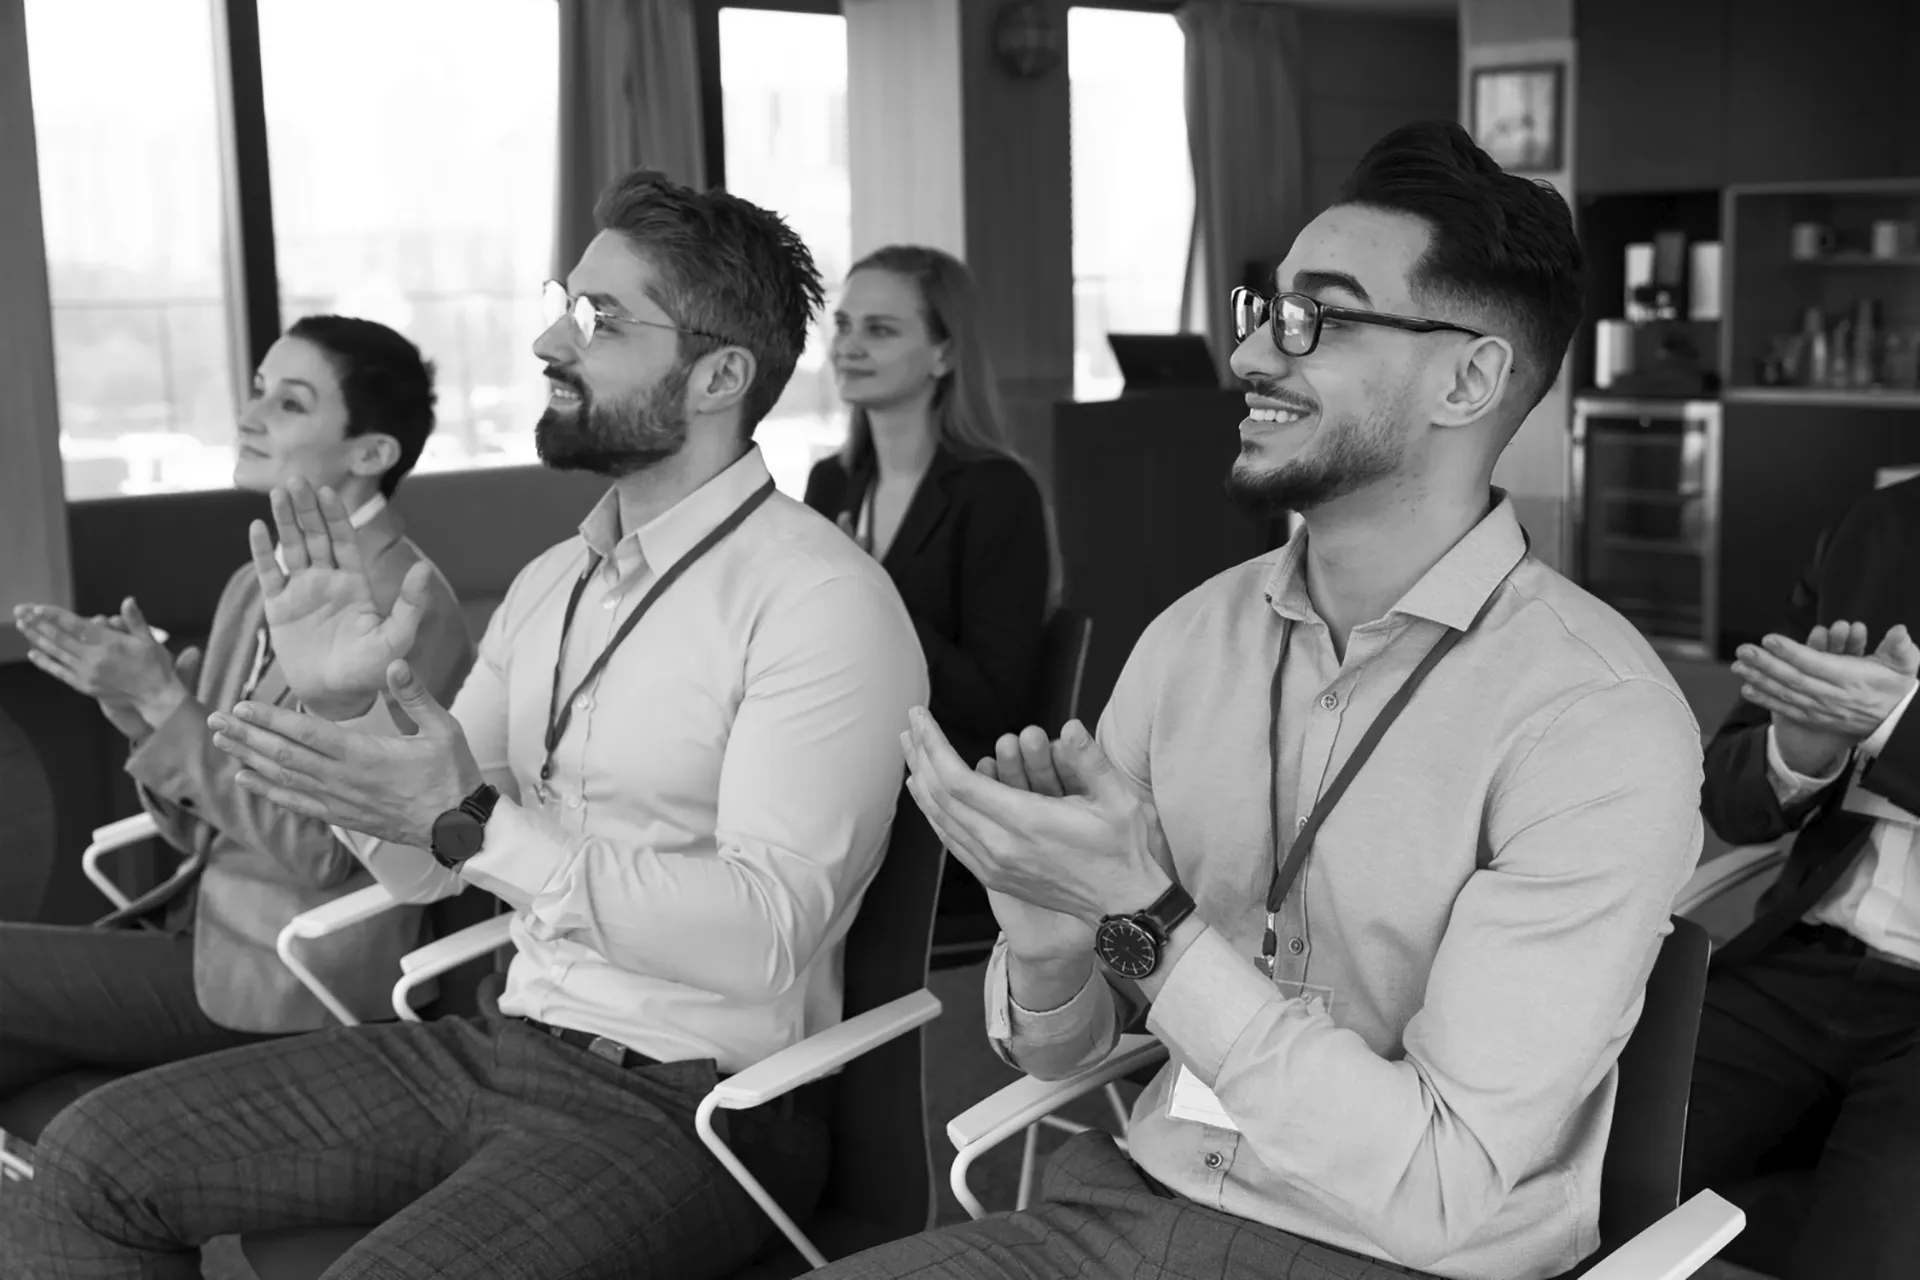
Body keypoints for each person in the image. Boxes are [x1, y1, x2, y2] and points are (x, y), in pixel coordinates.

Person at [0, 171, 928, 1280]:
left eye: (600, 319)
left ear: (719, 375)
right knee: (90, 1159)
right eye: (562, 302)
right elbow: (418, 867)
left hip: (694, 1107)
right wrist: (347, 710)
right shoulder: (551, 583)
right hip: (503, 1044)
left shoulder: (820, 602)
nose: (549, 339)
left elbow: (763, 933)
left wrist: (478, 825)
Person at [819, 121, 1705, 1280]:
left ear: (1469, 379)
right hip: (1132, 1205)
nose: (1249, 355)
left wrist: (1146, 913)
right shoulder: (1193, 641)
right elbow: (1063, 1050)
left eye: (1318, 318)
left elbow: (1436, 1187)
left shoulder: (1593, 718)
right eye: (1267, 309)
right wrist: (1047, 941)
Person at [2, 316, 472, 1114]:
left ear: (370, 454)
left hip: (292, 974)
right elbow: (201, 830)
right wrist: (143, 714)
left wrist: (169, 707)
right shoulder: (254, 584)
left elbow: (322, 855)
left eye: (290, 403)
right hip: (202, 933)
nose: (250, 416)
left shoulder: (405, 609)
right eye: (258, 390)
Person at [1680, 474, 1920, 1280]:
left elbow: (1888, 722)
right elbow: (1730, 798)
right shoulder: (1882, 524)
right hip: (1802, 961)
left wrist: (1894, 724)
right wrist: (1799, 754)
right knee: (1564, 1176)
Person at [804, 245, 1054, 959]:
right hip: (843, 776)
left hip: (944, 815)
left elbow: (994, 703)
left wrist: (870, 588)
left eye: (880, 330)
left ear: (944, 353)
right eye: (844, 325)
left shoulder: (997, 493)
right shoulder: (831, 483)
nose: (848, 345)